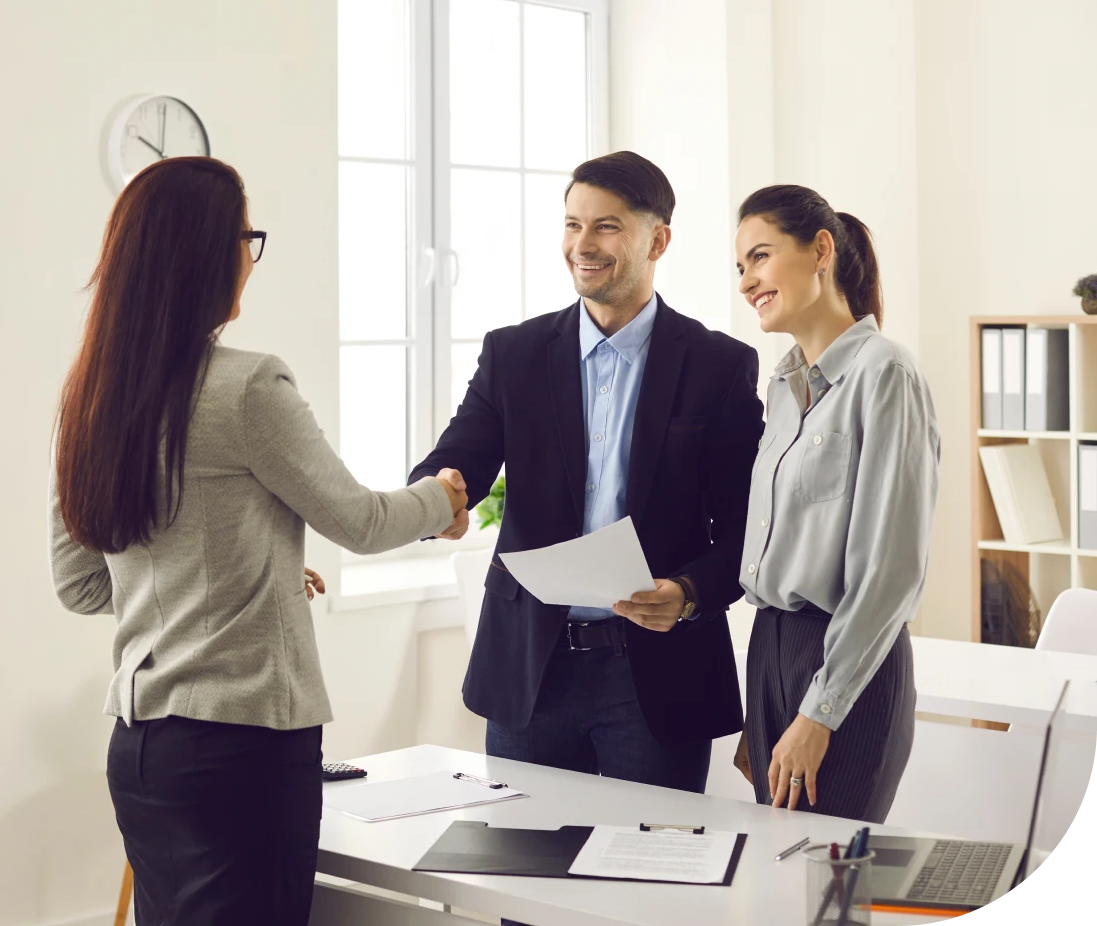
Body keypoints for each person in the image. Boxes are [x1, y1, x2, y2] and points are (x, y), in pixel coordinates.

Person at [48, 156, 469, 926]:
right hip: (241, 746)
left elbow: (82, 583)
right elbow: (363, 522)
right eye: (247, 236)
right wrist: (440, 497)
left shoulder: (92, 393)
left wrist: (249, 571)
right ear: (209, 254)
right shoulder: (246, 387)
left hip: (142, 753)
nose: (251, 256)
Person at [410, 151, 764, 795]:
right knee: (523, 873)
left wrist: (686, 593)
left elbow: (748, 531)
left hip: (656, 676)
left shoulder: (719, 366)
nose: (583, 244)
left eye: (606, 226)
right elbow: (454, 460)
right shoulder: (512, 355)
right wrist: (440, 499)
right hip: (532, 675)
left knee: (653, 876)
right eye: (572, 225)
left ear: (657, 240)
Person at [732, 184, 940, 822]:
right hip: (771, 651)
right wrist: (765, 702)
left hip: (844, 663)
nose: (747, 282)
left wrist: (818, 712)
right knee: (778, 891)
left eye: (760, 257)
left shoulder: (886, 376)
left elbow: (889, 572)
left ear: (820, 250)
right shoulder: (784, 387)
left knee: (824, 900)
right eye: (740, 268)